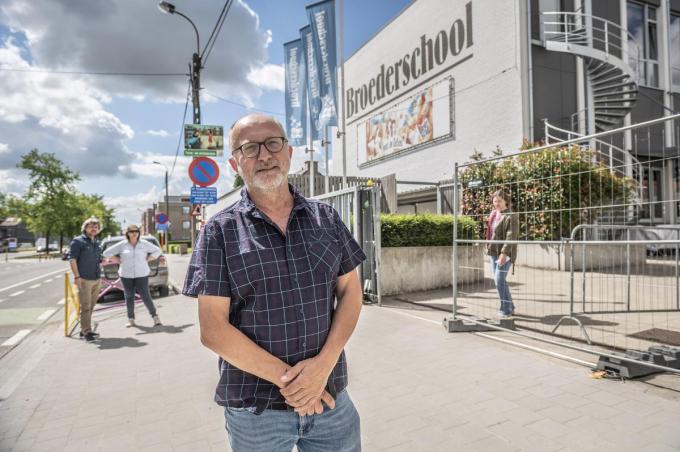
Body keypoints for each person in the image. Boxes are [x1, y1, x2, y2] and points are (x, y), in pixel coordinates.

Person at [183, 113, 366, 452]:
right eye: (249, 148)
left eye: (272, 143)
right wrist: (298, 384)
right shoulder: (218, 232)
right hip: (258, 413)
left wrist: (323, 366)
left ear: (289, 152)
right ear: (235, 163)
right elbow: (213, 330)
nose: (264, 155)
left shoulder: (326, 218)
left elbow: (351, 292)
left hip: (331, 400)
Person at [103, 225, 163, 327]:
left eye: (136, 231)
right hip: (126, 275)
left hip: (142, 274)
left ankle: (155, 317)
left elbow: (158, 250)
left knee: (146, 296)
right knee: (129, 297)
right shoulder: (122, 245)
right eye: (131, 231)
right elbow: (106, 252)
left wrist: (150, 258)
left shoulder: (144, 244)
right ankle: (131, 319)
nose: (134, 233)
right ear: (127, 233)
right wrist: (117, 260)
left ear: (139, 233)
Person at [68, 217, 103, 342]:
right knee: (86, 306)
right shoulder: (78, 241)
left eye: (96, 227)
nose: (94, 228)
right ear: (85, 228)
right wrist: (77, 277)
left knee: (92, 306)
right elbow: (72, 259)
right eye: (91, 226)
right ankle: (87, 332)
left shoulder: (97, 242)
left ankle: (85, 329)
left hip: (96, 278)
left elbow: (99, 259)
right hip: (84, 279)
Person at [486, 189, 519, 318]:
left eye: (499, 201)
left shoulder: (512, 216)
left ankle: (506, 308)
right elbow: (490, 232)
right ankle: (510, 305)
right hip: (493, 251)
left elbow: (511, 236)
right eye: (495, 201)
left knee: (499, 280)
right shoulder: (494, 214)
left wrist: (504, 253)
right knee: (499, 280)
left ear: (506, 201)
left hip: (506, 253)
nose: (497, 203)